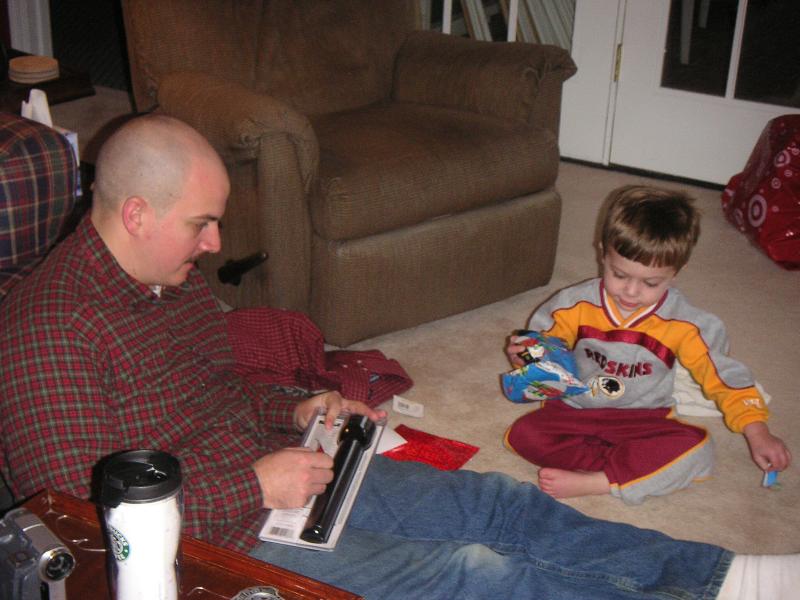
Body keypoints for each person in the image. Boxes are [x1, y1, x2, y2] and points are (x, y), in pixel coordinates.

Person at [0, 116, 796, 600]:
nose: (215, 244)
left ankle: (726, 578)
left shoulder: (166, 276)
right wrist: (253, 484)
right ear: (138, 213)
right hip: (212, 543)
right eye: (201, 224)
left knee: (495, 504)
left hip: (276, 478)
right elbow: (83, 522)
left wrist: (297, 407)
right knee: (474, 576)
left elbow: (221, 386)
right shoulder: (50, 330)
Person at [504, 185, 792, 506]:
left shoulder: (688, 324)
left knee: (699, 451)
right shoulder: (571, 304)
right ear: (603, 253)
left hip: (642, 419)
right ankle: (629, 468)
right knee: (522, 435)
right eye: (619, 274)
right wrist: (527, 357)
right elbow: (543, 347)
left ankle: (602, 481)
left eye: (650, 283)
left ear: (676, 272)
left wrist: (757, 432)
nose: (630, 292)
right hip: (574, 410)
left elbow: (724, 377)